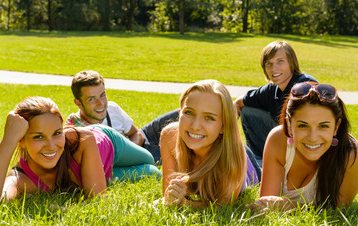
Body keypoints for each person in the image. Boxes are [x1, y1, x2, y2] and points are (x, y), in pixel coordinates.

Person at [0, 97, 160, 201]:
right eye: (38, 137)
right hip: (103, 170)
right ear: (22, 140)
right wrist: (9, 140)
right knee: (152, 172)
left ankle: (145, 133)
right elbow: (1, 200)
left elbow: (98, 199)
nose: (51, 145)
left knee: (150, 159)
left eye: (57, 133)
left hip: (108, 143)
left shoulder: (82, 139)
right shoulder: (21, 178)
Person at [247, 82, 358, 212]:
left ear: (336, 127)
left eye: (323, 126)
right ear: (289, 124)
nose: (313, 137)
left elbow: (337, 212)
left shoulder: (351, 156)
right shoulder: (277, 139)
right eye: (303, 126)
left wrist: (292, 207)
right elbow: (265, 205)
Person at [160, 80, 260, 208]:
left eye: (209, 118)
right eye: (189, 112)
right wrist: (172, 197)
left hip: (247, 164)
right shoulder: (169, 136)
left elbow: (223, 204)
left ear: (224, 125)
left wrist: (184, 203)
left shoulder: (232, 153)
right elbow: (167, 197)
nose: (195, 126)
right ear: (180, 114)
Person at [66, 70, 179, 163]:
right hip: (144, 157)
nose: (101, 104)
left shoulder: (112, 109)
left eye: (102, 95)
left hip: (143, 139)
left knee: (183, 113)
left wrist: (131, 149)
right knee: (180, 148)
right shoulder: (75, 129)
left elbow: (137, 134)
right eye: (91, 99)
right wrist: (130, 156)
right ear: (78, 103)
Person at [234, 41, 317, 165]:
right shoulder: (272, 89)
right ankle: (258, 162)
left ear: (291, 62)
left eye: (280, 61)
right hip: (284, 140)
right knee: (248, 111)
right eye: (269, 63)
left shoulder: (304, 86)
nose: (274, 68)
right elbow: (238, 103)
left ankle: (279, 165)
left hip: (307, 145)